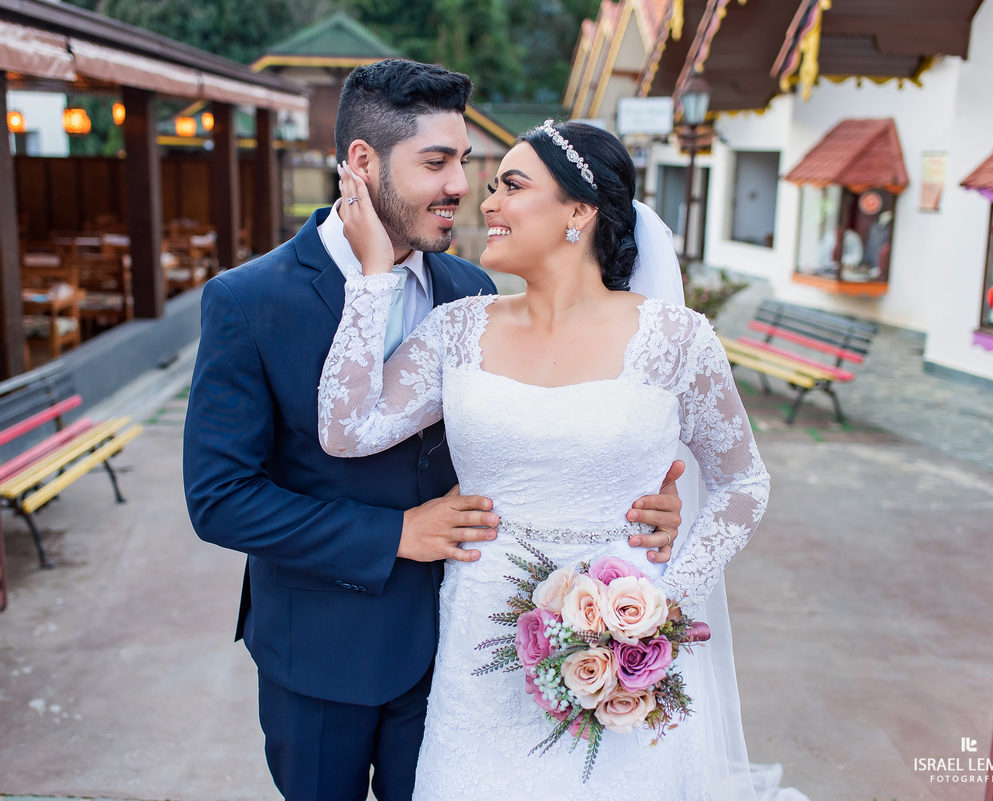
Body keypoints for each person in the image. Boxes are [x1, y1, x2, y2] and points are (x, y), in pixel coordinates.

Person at [182, 59, 686, 801]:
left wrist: (640, 501)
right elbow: (220, 498)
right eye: (437, 162)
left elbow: (535, 433)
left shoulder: (472, 289)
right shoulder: (250, 301)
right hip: (324, 657)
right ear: (362, 163)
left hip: (470, 651)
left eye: (467, 162)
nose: (461, 185)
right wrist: (394, 534)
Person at [318, 119, 772, 799]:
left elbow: (743, 482)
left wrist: (659, 609)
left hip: (624, 642)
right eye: (492, 186)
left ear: (579, 212)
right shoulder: (459, 328)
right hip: (481, 645)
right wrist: (373, 279)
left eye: (512, 185)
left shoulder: (677, 338)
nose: (487, 202)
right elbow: (345, 428)